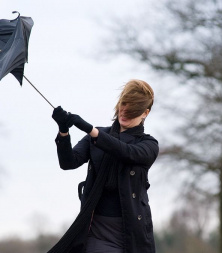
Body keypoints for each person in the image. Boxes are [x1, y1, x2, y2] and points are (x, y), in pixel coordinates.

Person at [48, 79, 159, 253]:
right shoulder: (98, 135)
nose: (124, 112)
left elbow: (126, 152)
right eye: (123, 105)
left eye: (132, 111)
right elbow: (68, 162)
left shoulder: (148, 144)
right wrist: (63, 131)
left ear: (145, 113)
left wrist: (91, 130)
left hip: (133, 233)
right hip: (97, 229)